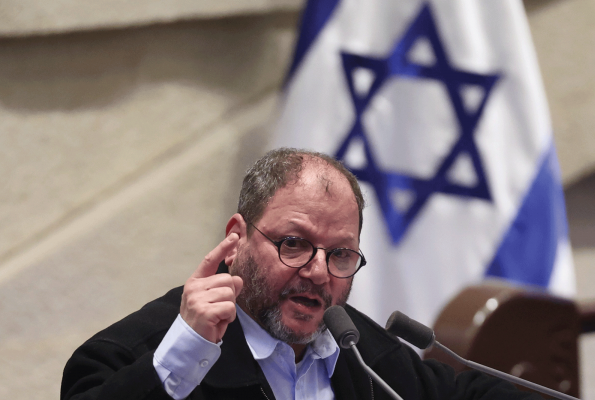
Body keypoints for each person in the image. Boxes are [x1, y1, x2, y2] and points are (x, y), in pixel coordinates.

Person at [61, 148, 541, 400]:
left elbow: (462, 395)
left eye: (341, 255)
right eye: (294, 244)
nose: (317, 272)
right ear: (236, 237)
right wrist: (186, 353)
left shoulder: (359, 351)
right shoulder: (130, 353)